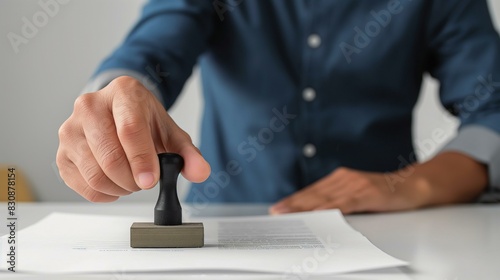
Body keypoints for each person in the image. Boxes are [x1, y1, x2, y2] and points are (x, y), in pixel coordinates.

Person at [57, 0, 500, 214]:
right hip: (222, 226)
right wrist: (118, 95)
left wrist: (414, 185)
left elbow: (493, 109)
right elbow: (149, 54)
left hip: (390, 232)